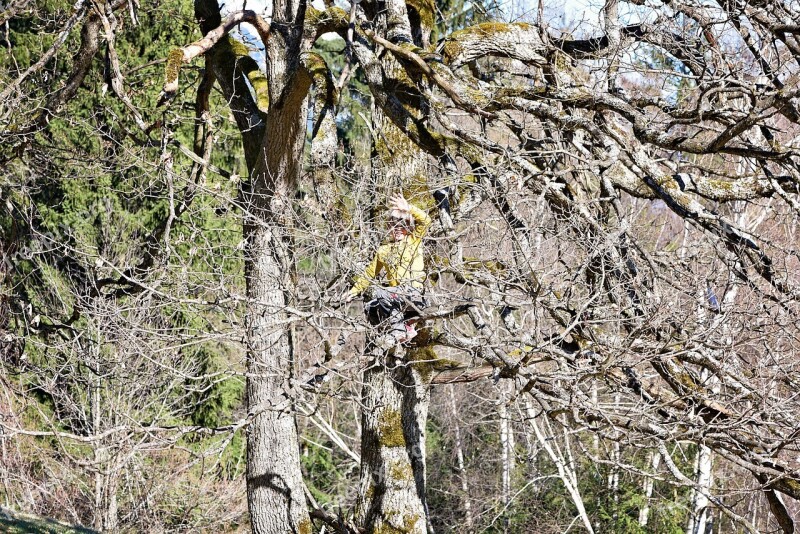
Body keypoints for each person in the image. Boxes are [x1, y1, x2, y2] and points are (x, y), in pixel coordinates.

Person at [344, 194, 432, 345]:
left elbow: (426, 221)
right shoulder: (383, 251)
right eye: (393, 224)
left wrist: (409, 208)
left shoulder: (413, 240)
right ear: (389, 227)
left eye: (402, 224)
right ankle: (394, 333)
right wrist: (353, 291)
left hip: (412, 293)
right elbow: (369, 274)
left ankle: (400, 330)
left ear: (408, 226)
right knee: (370, 306)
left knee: (380, 292)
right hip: (396, 297)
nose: (398, 228)